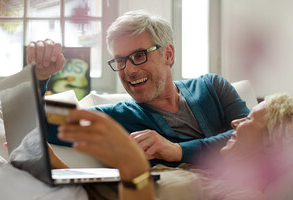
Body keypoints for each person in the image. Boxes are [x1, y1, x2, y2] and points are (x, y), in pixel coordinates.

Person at [51, 93, 293, 200]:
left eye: (250, 118)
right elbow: (98, 191)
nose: (235, 122)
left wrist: (133, 169)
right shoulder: (203, 173)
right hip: (59, 195)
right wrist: (53, 164)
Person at [27, 10, 250, 168]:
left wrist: (176, 150)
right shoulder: (114, 117)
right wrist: (39, 78)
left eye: (139, 56)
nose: (129, 70)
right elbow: (39, 124)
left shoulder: (212, 86)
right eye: (120, 60)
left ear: (168, 54)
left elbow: (254, 135)